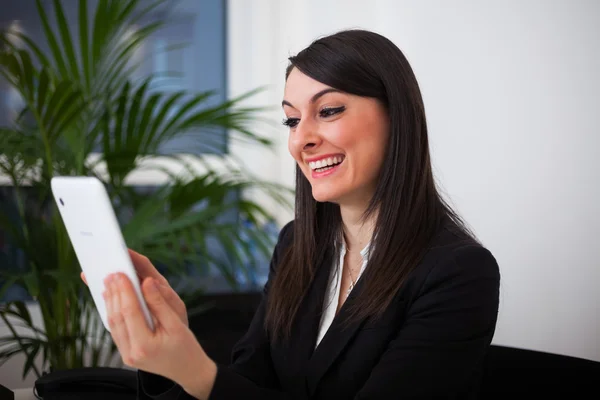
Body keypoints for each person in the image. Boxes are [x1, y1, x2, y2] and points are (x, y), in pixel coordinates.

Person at [86, 29, 500, 399]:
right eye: (291, 119)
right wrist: (169, 357)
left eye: (329, 111)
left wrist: (199, 373)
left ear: (397, 116)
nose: (300, 140)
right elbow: (249, 382)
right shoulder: (297, 244)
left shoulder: (458, 273)